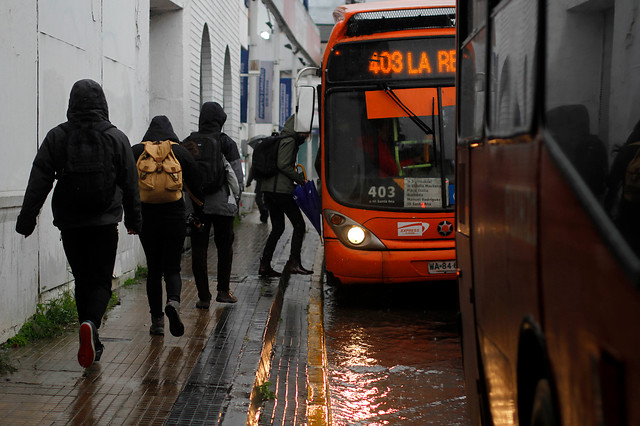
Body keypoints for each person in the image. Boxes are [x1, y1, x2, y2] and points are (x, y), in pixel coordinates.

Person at [15, 79, 142, 368]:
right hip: (104, 221)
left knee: (83, 280)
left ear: (71, 102)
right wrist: (134, 220)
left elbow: (40, 179)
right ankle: (91, 323)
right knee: (101, 282)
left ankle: (88, 336)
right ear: (103, 103)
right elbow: (131, 183)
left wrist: (26, 220)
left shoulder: (57, 136)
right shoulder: (116, 137)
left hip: (70, 224)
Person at [132, 115, 203, 337]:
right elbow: (196, 184)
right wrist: (199, 213)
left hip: (146, 216)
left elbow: (125, 183)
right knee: (172, 267)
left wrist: (131, 217)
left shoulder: (136, 151)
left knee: (153, 268)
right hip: (174, 215)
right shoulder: (179, 152)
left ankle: (157, 322)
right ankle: (173, 302)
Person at [182, 102, 243, 307]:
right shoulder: (226, 143)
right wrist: (237, 197)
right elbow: (236, 174)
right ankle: (223, 291)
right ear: (221, 120)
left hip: (197, 204)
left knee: (199, 248)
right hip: (222, 205)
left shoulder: (189, 142)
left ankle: (203, 297)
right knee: (224, 247)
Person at [259, 114, 313, 277]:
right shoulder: (289, 140)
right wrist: (300, 179)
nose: (307, 136)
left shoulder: (282, 139)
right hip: (280, 192)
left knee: (278, 228)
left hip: (270, 190)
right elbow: (283, 164)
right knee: (299, 225)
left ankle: (264, 265)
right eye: (306, 132)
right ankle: (294, 263)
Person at [246, 155, 269, 223]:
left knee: (258, 198)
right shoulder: (269, 155)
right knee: (266, 199)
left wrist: (248, 182)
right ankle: (265, 211)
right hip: (268, 181)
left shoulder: (258, 154)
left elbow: (252, 169)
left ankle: (263, 211)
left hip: (259, 182)